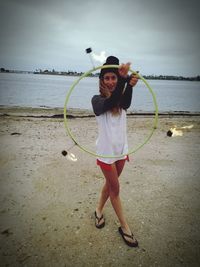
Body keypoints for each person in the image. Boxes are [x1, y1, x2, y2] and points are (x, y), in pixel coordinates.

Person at [91, 56, 139, 247]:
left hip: (121, 151)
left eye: (114, 78)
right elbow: (109, 104)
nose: (110, 82)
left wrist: (130, 84)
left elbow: (124, 103)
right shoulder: (97, 101)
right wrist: (124, 80)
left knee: (111, 185)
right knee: (115, 189)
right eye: (107, 78)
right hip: (106, 154)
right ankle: (125, 227)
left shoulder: (121, 97)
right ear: (102, 80)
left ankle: (98, 211)